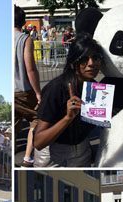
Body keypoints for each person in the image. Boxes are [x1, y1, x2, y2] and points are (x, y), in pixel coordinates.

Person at [34, 33, 103, 166]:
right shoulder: (56, 89)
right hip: (53, 156)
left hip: (82, 152)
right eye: (84, 59)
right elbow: (39, 142)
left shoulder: (96, 88)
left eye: (96, 58)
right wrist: (67, 118)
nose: (91, 64)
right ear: (73, 62)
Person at [14, 6, 42, 168]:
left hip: (11, 92)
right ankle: (27, 157)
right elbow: (30, 68)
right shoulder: (24, 39)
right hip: (23, 90)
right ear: (24, 22)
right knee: (37, 117)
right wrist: (38, 93)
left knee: (15, 123)